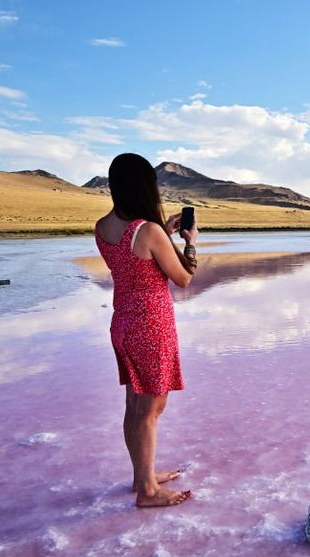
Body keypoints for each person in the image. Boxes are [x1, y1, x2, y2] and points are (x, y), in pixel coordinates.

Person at [94, 153, 199, 507]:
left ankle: (143, 476)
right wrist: (189, 241)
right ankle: (149, 492)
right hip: (151, 325)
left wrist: (162, 236)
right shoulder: (149, 230)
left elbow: (133, 255)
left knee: (134, 404)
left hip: (123, 321)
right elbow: (183, 278)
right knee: (152, 407)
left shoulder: (103, 226)